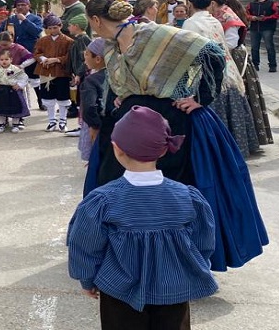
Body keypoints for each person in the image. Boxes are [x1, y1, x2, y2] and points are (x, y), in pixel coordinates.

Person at [83, 0, 268, 272]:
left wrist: (201, 98)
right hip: (130, 122)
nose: (91, 27)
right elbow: (118, 79)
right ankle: (127, 254)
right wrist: (122, 95)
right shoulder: (111, 46)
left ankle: (177, 259)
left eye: (90, 22)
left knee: (176, 187)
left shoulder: (152, 33)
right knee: (117, 182)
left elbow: (212, 53)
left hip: (174, 120)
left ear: (96, 20)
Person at [67, 106, 217, 330]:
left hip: (119, 290)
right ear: (164, 150)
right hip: (174, 288)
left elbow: (85, 244)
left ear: (117, 149)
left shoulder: (103, 200)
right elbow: (203, 241)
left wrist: (87, 279)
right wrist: (197, 268)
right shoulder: (188, 197)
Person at [182, 0, 260, 158]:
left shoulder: (190, 23)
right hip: (226, 67)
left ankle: (214, 150)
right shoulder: (214, 20)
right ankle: (237, 145)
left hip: (205, 69)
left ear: (190, 5)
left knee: (210, 103)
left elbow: (189, 50)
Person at [211, 0, 274, 148]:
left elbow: (231, 43)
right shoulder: (224, 16)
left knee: (241, 95)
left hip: (235, 59)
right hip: (231, 56)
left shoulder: (229, 18)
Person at [0, 0, 44, 109]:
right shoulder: (10, 20)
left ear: (29, 6)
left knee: (34, 79)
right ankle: (17, 103)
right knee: (14, 78)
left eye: (23, 5)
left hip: (30, 53)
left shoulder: (35, 18)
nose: (21, 7)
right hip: (13, 54)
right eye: (18, 5)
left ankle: (40, 101)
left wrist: (25, 20)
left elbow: (37, 32)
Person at [34, 15, 74, 132]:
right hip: (46, 72)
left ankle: (62, 120)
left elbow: (69, 56)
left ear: (60, 26)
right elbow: (36, 53)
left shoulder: (68, 41)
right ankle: (51, 121)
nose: (52, 30)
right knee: (48, 97)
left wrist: (56, 60)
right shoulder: (42, 40)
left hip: (62, 72)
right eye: (50, 28)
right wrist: (43, 59)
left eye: (55, 27)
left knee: (63, 97)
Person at [78, 38, 108, 161]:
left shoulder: (92, 80)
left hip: (97, 125)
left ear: (98, 59)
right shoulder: (118, 75)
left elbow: (89, 106)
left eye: (87, 55)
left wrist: (94, 126)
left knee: (96, 159)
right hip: (113, 123)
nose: (85, 59)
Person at [0, 49, 31, 133]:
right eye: (2, 59)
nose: (4, 61)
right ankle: (2, 124)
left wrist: (19, 85)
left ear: (11, 59)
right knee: (1, 108)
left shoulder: (16, 69)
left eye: (6, 59)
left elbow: (24, 77)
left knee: (15, 107)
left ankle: (15, 124)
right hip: (1, 91)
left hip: (13, 91)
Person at [65, 13, 92, 133]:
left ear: (77, 26)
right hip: (78, 75)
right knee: (79, 101)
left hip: (83, 76)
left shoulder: (83, 40)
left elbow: (85, 60)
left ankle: (83, 127)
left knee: (82, 101)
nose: (68, 28)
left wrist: (78, 74)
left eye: (70, 25)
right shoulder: (78, 39)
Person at [245, 0, 279, 72]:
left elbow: (278, 14)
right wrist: (252, 17)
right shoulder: (251, 4)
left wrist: (265, 18)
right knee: (254, 47)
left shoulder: (272, 3)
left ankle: (272, 66)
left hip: (267, 28)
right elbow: (246, 14)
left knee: (269, 46)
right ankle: (255, 65)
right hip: (254, 28)